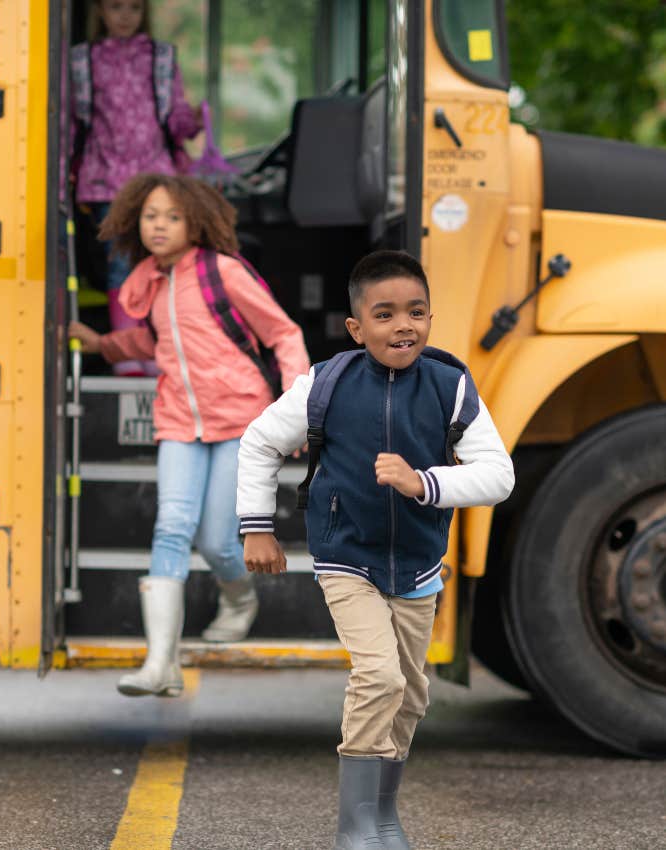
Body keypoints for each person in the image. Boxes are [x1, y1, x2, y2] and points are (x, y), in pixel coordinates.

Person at [236, 250, 514, 850]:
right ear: (357, 328)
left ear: (432, 318)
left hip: (417, 562)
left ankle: (384, 817)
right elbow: (259, 443)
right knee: (381, 676)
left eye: (416, 312)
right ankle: (355, 828)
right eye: (384, 315)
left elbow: (499, 475)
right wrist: (256, 528)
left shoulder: (450, 385)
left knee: (412, 694)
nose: (403, 326)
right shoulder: (327, 384)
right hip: (347, 555)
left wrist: (425, 483)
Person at [69, 173, 310, 697]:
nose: (159, 225)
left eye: (172, 217)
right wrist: (102, 345)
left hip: (240, 419)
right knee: (172, 526)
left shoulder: (223, 273)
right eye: (151, 215)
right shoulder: (152, 281)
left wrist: (294, 409)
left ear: (195, 222)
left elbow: (284, 333)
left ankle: (240, 597)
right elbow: (155, 339)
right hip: (179, 418)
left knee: (219, 540)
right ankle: (160, 664)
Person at [70, 0, 202, 375]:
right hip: (104, 179)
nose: (125, 16)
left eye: (133, 8)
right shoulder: (84, 60)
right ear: (100, 12)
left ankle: (156, 348)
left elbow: (174, 116)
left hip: (155, 179)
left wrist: (190, 123)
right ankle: (126, 354)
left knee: (160, 262)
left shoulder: (160, 58)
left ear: (144, 12)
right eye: (115, 7)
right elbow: (73, 122)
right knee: (119, 266)